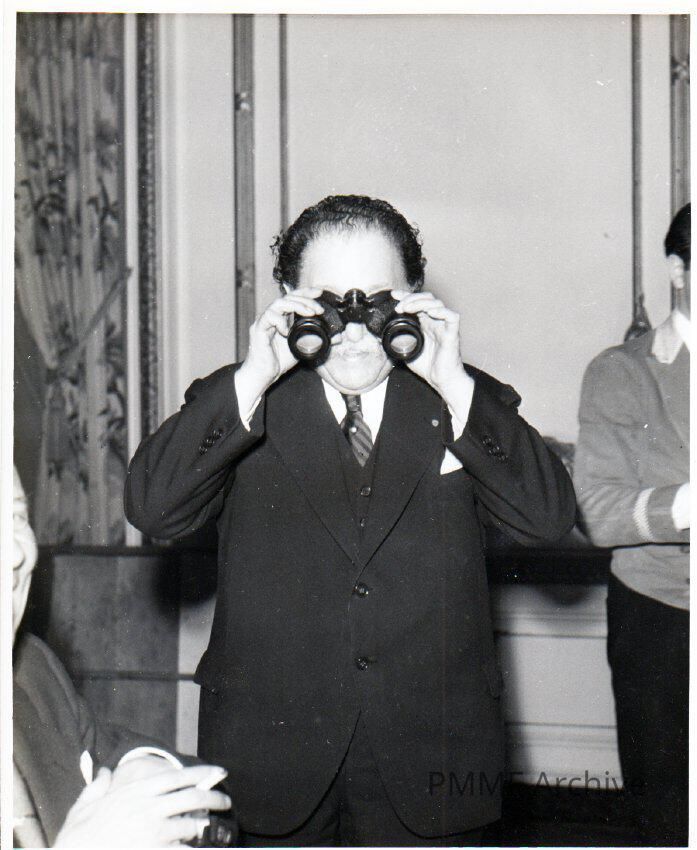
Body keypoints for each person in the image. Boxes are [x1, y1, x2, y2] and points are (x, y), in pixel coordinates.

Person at [125, 195, 575, 846]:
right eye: (329, 305)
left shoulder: (462, 395)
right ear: (288, 302)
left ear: (415, 299)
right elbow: (153, 510)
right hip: (271, 751)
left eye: (379, 303)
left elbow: (548, 519)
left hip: (434, 753)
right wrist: (254, 375)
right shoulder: (243, 399)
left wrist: (454, 385)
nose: (355, 331)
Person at [12, 466, 234, 848]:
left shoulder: (29, 666)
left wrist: (145, 771)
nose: (17, 553)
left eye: (16, 516)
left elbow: (113, 751)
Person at [574, 204, 690, 846]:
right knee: (666, 818)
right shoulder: (621, 371)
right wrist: (687, 505)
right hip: (662, 620)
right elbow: (598, 512)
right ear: (678, 270)